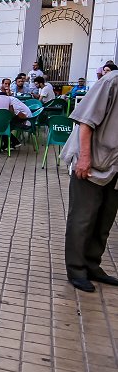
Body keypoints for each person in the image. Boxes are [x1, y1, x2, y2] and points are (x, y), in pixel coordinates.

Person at [61, 68, 118, 292]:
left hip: (114, 165)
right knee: (83, 217)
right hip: (93, 160)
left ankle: (93, 265)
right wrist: (84, 158)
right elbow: (85, 122)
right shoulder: (111, 82)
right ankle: (76, 269)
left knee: (105, 219)